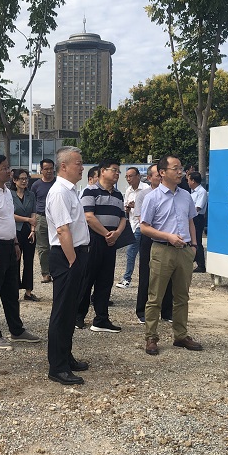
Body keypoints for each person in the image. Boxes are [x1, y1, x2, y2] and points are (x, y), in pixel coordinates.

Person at [140, 155, 203, 355]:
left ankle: (181, 335)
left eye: (181, 168)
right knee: (155, 297)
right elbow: (144, 227)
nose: (180, 172)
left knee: (182, 296)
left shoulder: (186, 195)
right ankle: (151, 337)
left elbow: (191, 221)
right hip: (162, 250)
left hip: (184, 251)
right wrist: (167, 236)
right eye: (175, 168)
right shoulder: (152, 198)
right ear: (162, 172)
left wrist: (194, 246)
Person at [0, 155, 42, 349]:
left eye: (8, 167)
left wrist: (15, 243)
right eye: (4, 168)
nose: (9, 171)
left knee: (11, 291)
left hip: (9, 245)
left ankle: (16, 330)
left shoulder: (7, 192)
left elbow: (8, 219)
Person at [45, 147, 91, 385]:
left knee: (70, 310)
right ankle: (57, 367)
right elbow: (62, 230)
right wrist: (72, 260)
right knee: (62, 312)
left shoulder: (71, 191)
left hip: (75, 255)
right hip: (66, 256)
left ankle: (66, 355)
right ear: (63, 166)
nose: (82, 167)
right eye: (78, 163)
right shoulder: (60, 192)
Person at [75, 158, 126, 333]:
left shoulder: (118, 195)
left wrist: (116, 234)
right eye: (114, 170)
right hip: (94, 239)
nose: (117, 174)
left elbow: (123, 217)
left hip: (111, 241)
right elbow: (88, 216)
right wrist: (106, 234)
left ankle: (101, 319)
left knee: (106, 280)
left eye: (118, 171)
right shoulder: (90, 191)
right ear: (103, 171)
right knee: (87, 278)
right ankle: (78, 316)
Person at [134, 164, 174, 325]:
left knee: (169, 274)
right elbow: (141, 219)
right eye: (157, 175)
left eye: (162, 174)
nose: (160, 177)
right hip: (149, 237)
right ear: (149, 178)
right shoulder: (144, 195)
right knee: (147, 273)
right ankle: (142, 311)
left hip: (168, 239)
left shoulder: (172, 193)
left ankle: (167, 311)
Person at [117, 166, 149, 288]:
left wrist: (137, 205)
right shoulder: (128, 190)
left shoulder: (146, 189)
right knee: (134, 253)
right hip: (132, 224)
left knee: (132, 252)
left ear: (138, 176)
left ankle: (127, 278)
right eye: (127, 176)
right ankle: (131, 278)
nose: (128, 179)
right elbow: (125, 208)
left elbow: (150, 208)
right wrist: (127, 208)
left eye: (131, 176)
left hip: (142, 225)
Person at [11, 168, 38, 302]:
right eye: (21, 179)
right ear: (14, 180)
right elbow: (10, 215)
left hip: (28, 231)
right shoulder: (9, 195)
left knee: (29, 261)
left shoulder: (31, 195)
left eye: (26, 178)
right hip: (15, 231)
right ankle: (13, 291)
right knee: (15, 261)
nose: (24, 181)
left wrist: (33, 229)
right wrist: (27, 219)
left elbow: (33, 212)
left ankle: (28, 291)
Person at [31, 158, 56, 283]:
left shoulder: (58, 183)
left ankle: (56, 271)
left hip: (56, 218)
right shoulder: (36, 185)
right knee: (43, 247)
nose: (49, 171)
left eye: (51, 168)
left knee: (56, 246)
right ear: (41, 170)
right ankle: (45, 273)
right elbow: (33, 202)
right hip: (41, 218)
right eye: (46, 169)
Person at [188, 171, 208, 273]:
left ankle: (201, 265)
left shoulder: (201, 192)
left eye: (188, 180)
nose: (187, 182)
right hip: (192, 217)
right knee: (191, 240)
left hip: (197, 218)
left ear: (193, 181)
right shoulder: (192, 192)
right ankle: (194, 258)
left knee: (197, 241)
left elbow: (198, 207)